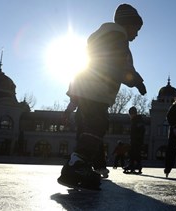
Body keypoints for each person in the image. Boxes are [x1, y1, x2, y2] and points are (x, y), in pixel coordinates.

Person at [58, 3, 147, 190]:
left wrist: (72, 101)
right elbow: (120, 65)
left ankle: (76, 170)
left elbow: (81, 68)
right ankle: (77, 164)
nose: (137, 34)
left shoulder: (98, 39)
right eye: (136, 29)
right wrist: (136, 81)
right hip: (97, 93)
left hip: (85, 93)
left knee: (86, 131)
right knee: (97, 126)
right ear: (126, 24)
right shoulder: (118, 38)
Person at [124, 106, 146, 174]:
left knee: (136, 152)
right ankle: (133, 164)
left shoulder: (138, 120)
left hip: (137, 140)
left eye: (130, 114)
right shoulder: (134, 120)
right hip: (134, 139)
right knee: (132, 152)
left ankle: (136, 165)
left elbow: (141, 130)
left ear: (133, 114)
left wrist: (137, 137)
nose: (130, 116)